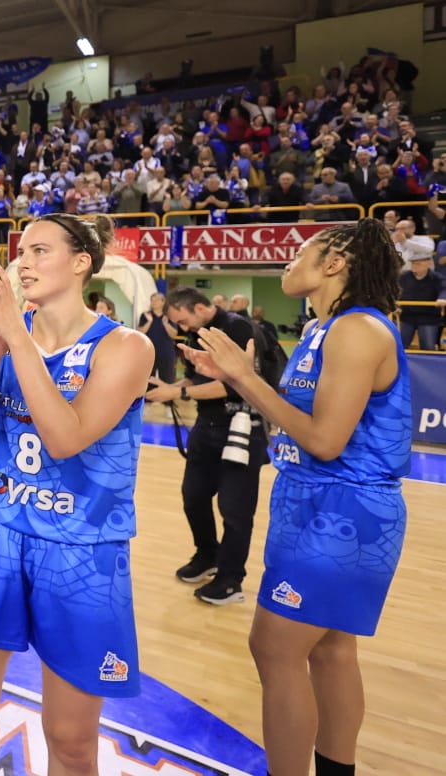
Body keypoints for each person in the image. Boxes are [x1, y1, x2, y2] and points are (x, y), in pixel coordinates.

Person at [180, 219, 410, 776]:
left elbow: (326, 440)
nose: (288, 261)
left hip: (345, 509)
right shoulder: (320, 328)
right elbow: (298, 420)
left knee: (275, 649)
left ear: (334, 264)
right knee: (331, 650)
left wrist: (244, 376)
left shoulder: (359, 331)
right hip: (307, 499)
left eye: (299, 253)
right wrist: (235, 379)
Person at [0, 215, 153, 776]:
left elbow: (64, 438)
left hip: (81, 547)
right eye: (21, 254)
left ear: (81, 262)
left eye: (40, 251)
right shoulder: (8, 340)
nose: (24, 264)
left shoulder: (126, 346)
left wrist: (16, 338)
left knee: (70, 739)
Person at [147, 286, 268, 605]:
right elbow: (196, 381)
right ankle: (207, 555)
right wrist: (170, 387)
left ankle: (231, 579)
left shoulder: (239, 329)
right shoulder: (195, 334)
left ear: (200, 308)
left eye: (183, 320)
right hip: (207, 427)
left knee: (235, 510)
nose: (183, 329)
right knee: (193, 496)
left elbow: (236, 385)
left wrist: (179, 394)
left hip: (241, 427)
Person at [138, 291, 180, 383]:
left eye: (156, 300)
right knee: (147, 379)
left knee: (168, 378)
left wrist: (165, 324)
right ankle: (148, 397)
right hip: (149, 351)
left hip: (166, 352)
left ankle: (168, 397)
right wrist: (149, 322)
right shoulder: (146, 315)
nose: (154, 302)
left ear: (163, 302)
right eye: (152, 300)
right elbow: (141, 332)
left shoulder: (170, 316)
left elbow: (174, 334)